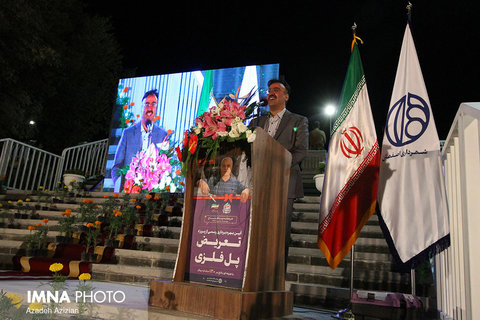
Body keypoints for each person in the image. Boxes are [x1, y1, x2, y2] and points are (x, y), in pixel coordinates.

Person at [249, 79, 309, 266]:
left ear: (286, 96)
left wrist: (279, 166)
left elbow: (301, 150)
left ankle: (277, 273)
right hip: (258, 183)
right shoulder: (256, 121)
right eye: (269, 91)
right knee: (256, 230)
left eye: (276, 90)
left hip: (284, 181)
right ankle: (254, 268)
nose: (271, 93)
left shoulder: (298, 120)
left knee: (279, 231)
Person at [111, 89, 168, 191]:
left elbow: (165, 167)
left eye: (153, 104)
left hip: (152, 193)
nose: (150, 108)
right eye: (147, 104)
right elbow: (116, 167)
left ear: (156, 108)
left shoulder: (162, 135)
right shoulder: (128, 133)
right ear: (141, 107)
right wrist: (121, 188)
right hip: (129, 192)